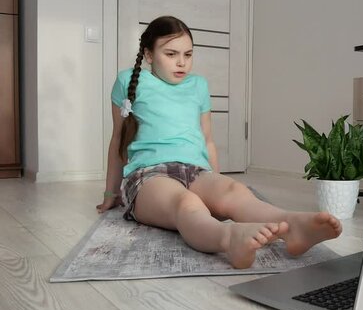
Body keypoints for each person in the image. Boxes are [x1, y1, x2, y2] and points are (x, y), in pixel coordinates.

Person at [96, 16, 342, 269]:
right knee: (186, 203)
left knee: (235, 192)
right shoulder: (128, 81)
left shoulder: (198, 85)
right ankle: (229, 238)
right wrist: (110, 194)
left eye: (188, 54)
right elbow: (118, 139)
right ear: (148, 54)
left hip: (195, 170)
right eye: (171, 54)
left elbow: (208, 140)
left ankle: (291, 226)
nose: (182, 62)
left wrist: (216, 184)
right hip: (149, 176)